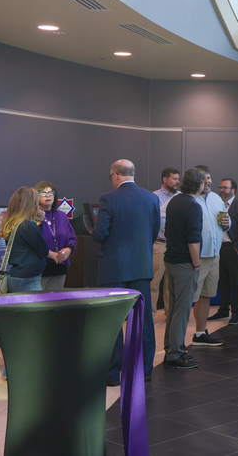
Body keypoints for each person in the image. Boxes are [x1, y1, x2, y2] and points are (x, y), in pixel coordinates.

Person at [92, 159, 161, 385]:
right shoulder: (151, 198)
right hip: (141, 267)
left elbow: (100, 234)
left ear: (115, 175)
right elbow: (153, 231)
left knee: (111, 321)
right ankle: (145, 370)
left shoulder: (108, 199)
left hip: (114, 269)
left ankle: (112, 374)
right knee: (143, 321)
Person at [162, 167, 205, 370]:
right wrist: (196, 264)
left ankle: (171, 347)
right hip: (184, 263)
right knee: (182, 308)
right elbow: (193, 241)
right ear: (201, 184)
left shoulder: (175, 201)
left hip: (170, 259)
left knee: (173, 307)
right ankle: (175, 354)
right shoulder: (194, 206)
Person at [190, 165, 225, 347]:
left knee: (206, 296)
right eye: (204, 179)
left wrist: (227, 223)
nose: (208, 182)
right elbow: (163, 217)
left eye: (209, 178)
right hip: (196, 257)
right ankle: (176, 342)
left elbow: (224, 223)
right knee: (190, 298)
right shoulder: (188, 200)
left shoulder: (217, 199)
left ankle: (200, 333)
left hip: (214, 255)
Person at [0, 186, 58, 293]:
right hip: (28, 280)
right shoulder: (28, 226)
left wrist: (38, 222)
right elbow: (43, 250)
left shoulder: (13, 223)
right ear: (32, 205)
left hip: (17, 276)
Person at [209, 178, 238, 325]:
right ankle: (223, 310)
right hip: (218, 248)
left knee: (236, 281)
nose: (221, 190)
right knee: (222, 281)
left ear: (233, 190)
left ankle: (236, 312)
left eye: (225, 188)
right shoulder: (217, 205)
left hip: (232, 248)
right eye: (220, 187)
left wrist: (237, 247)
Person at [33, 181, 76, 290]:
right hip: (40, 268)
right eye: (43, 193)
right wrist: (48, 253)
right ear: (36, 197)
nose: (48, 195)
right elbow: (33, 241)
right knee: (40, 304)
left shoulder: (61, 216)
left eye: (50, 192)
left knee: (55, 302)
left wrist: (68, 249)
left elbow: (72, 238)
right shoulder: (32, 216)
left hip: (59, 267)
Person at [152, 167, 180, 316]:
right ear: (165, 179)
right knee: (154, 282)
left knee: (172, 284)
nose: (177, 182)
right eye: (174, 179)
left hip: (175, 246)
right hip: (159, 244)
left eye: (178, 179)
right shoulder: (153, 197)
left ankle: (171, 316)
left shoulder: (181, 197)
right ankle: (149, 316)